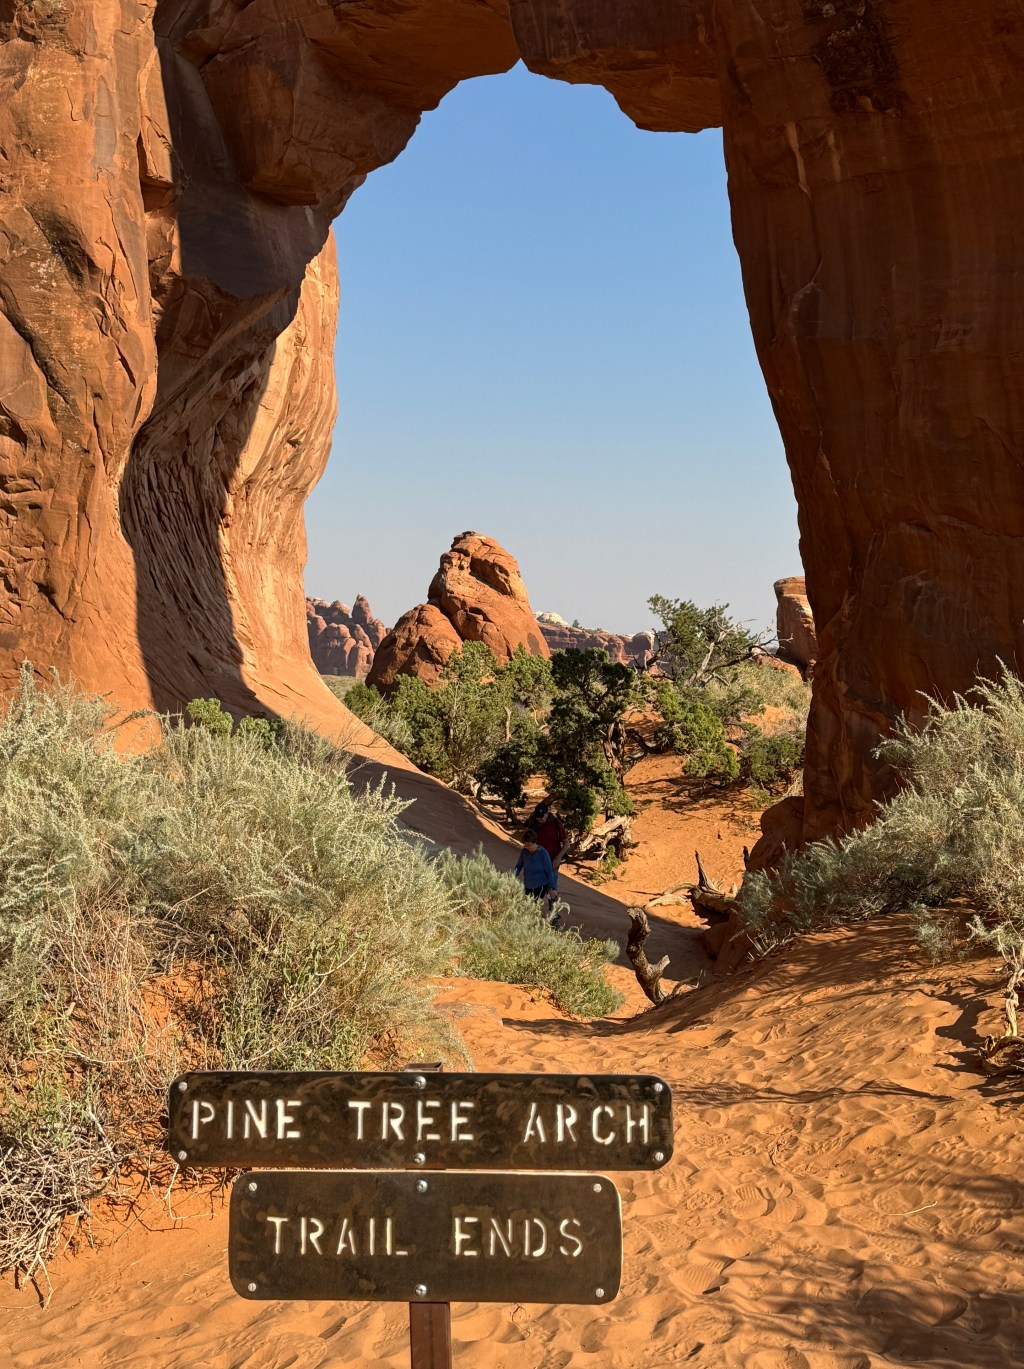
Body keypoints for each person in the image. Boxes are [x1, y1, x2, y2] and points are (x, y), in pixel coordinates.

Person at [529, 801, 570, 907]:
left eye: (541, 816)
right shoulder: (533, 822)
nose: (539, 818)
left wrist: (558, 858)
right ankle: (532, 914)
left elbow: (566, 844)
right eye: (538, 816)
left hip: (552, 863)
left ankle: (554, 916)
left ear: (547, 814)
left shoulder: (556, 823)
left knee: (551, 889)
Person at [514, 834, 555, 910]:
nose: (527, 847)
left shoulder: (543, 853)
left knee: (534, 906)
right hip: (528, 884)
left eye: (529, 845)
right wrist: (513, 877)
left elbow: (549, 872)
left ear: (534, 842)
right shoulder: (524, 852)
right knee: (526, 905)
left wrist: (552, 888)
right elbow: (518, 866)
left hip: (541, 885)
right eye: (525, 845)